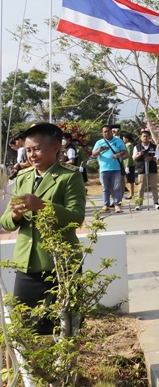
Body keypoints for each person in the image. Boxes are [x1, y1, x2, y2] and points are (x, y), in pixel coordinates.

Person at [0, 122, 86, 334]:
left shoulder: (69, 176)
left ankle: (64, 367)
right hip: (26, 265)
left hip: (59, 264)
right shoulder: (23, 177)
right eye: (28, 150)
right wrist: (15, 215)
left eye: (37, 148)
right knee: (23, 329)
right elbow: (5, 222)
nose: (32, 155)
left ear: (56, 147)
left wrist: (43, 206)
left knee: (64, 329)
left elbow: (76, 217)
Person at [91, 124, 127, 213]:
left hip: (116, 168)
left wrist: (118, 155)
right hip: (104, 169)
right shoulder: (99, 142)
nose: (107, 133)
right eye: (105, 132)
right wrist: (99, 150)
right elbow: (93, 154)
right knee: (105, 188)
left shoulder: (118, 141)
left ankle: (117, 205)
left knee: (116, 188)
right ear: (102, 133)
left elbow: (124, 151)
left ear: (111, 132)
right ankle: (106, 205)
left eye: (108, 131)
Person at [133, 130, 159, 211]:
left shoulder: (154, 146)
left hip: (152, 169)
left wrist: (151, 158)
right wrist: (140, 154)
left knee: (154, 186)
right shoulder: (137, 147)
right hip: (142, 169)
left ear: (149, 138)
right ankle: (139, 204)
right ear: (141, 138)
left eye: (147, 136)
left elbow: (157, 156)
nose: (145, 138)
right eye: (144, 136)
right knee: (141, 187)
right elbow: (134, 158)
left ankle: (156, 202)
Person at [122, 133, 136, 199]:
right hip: (128, 164)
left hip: (129, 164)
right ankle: (131, 193)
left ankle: (131, 194)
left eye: (124, 138)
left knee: (130, 180)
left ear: (127, 139)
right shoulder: (127, 145)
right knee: (129, 180)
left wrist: (127, 166)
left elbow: (129, 156)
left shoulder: (129, 145)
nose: (123, 140)